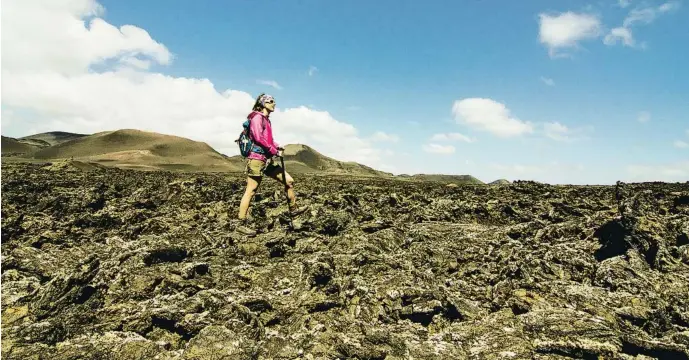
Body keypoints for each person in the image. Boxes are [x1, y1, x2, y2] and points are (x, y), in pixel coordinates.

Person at [235, 93, 309, 236]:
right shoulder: (257, 117)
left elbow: (267, 139)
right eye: (270, 101)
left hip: (267, 160)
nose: (274, 103)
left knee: (289, 181)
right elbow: (258, 137)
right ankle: (240, 223)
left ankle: (293, 210)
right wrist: (274, 150)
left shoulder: (266, 120)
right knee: (251, 190)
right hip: (256, 159)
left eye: (274, 101)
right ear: (263, 103)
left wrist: (276, 146)